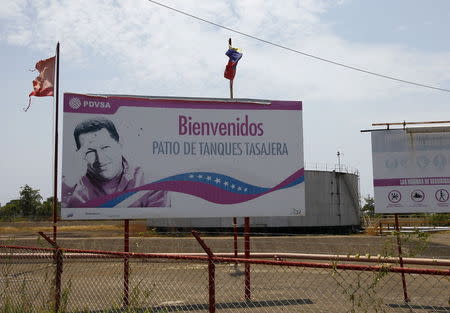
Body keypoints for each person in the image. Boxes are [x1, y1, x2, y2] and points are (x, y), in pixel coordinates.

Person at [64, 117, 169, 208]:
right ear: (79, 154)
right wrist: (69, 183)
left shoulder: (150, 183)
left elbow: (157, 225)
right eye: (90, 152)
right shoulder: (71, 187)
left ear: (120, 143)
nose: (100, 159)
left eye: (105, 147)